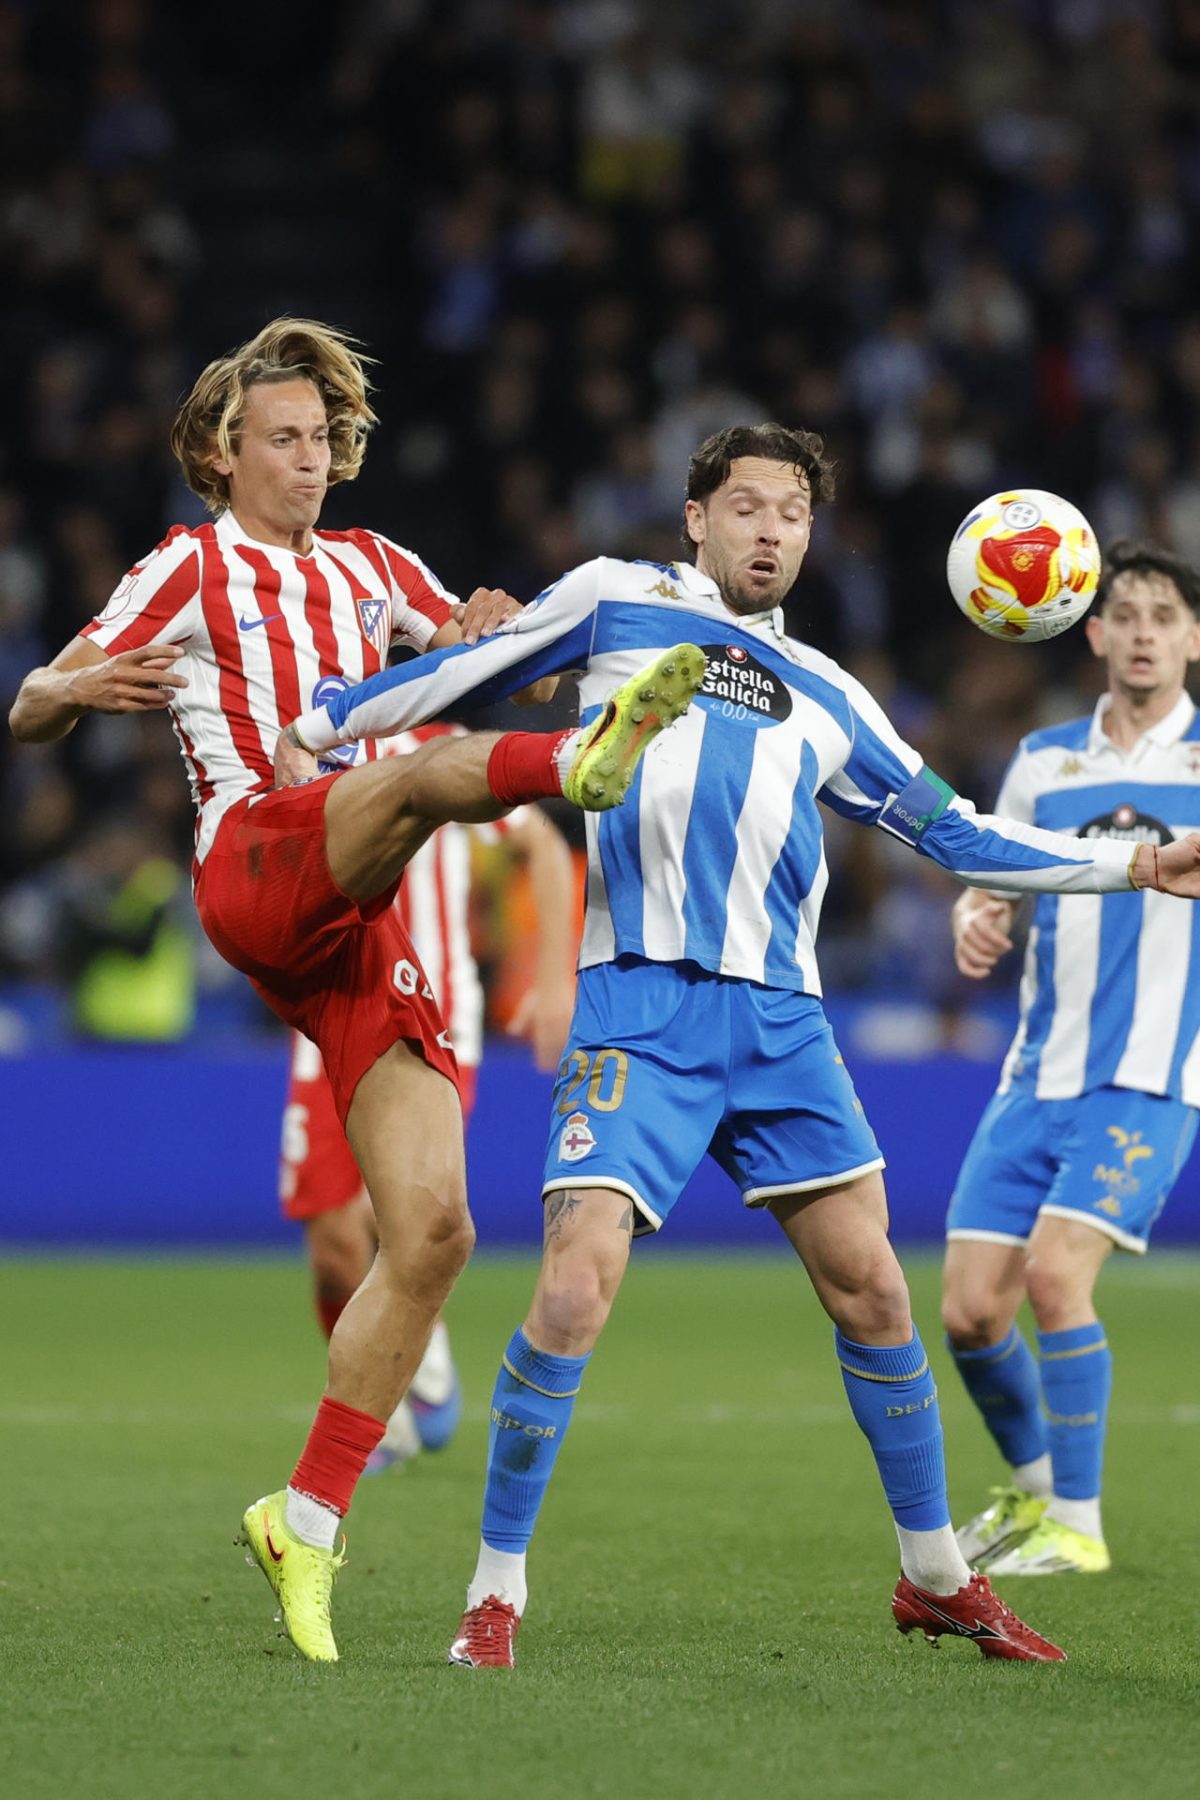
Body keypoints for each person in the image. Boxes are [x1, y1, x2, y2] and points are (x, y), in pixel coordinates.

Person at [278, 423, 1200, 1668]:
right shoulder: (618, 605)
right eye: (749, 508)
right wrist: (327, 723)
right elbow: (474, 669)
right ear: (696, 520)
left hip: (782, 1025)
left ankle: (935, 1576)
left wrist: (1137, 861)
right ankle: (494, 1595)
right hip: (640, 1008)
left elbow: (963, 835)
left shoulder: (831, 694)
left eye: (794, 516)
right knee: (571, 1286)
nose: (772, 533)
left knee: (875, 1288)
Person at [7, 316, 704, 1663]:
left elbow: (465, 646)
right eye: (283, 437)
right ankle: (579, 768)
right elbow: (33, 707)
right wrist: (61, 686)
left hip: (354, 915)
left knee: (435, 1230)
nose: (311, 458)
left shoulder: (375, 563)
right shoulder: (188, 568)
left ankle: (307, 1519)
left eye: (324, 438)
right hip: (257, 859)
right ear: (223, 452)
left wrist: (499, 626)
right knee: (410, 771)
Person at [941, 540, 1200, 1576]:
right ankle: (1039, 1494)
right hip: (1036, 1075)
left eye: (1162, 616)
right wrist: (976, 915)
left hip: (1151, 1075)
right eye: (1124, 615)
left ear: (1193, 637)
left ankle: (1080, 1530)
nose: (1142, 633)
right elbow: (994, 875)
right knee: (968, 1312)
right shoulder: (1046, 760)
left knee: (1054, 1278)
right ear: (1090, 633)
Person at [280, 727, 577, 1472]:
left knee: (397, 1215)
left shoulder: (444, 745)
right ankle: (417, 1363)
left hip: (430, 1016)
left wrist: (555, 982)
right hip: (327, 1016)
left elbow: (539, 843)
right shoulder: (314, 743)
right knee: (332, 1242)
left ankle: (376, 1416)